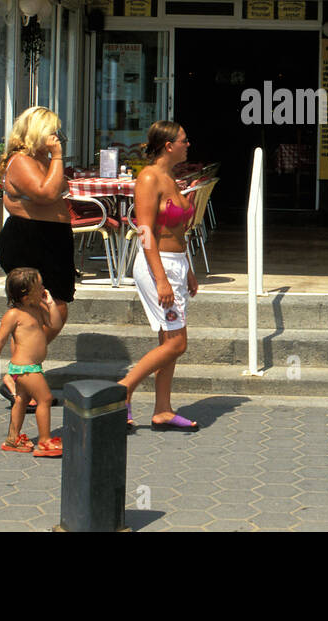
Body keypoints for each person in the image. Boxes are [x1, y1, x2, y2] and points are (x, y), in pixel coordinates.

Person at [120, 120, 199, 431]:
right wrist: (162, 278)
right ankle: (123, 388)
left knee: (168, 339)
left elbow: (179, 230)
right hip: (159, 265)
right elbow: (146, 232)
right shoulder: (150, 178)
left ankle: (162, 409)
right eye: (184, 140)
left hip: (176, 262)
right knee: (177, 342)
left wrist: (188, 269)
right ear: (168, 145)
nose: (188, 144)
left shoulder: (171, 178)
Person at [0, 106, 73, 406]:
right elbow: (46, 192)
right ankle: (19, 376)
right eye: (52, 132)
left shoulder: (41, 160)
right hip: (30, 241)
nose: (56, 138)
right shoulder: (21, 161)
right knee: (41, 310)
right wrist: (58, 157)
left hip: (51, 241)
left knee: (55, 308)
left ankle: (23, 375)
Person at [0, 267, 64, 457]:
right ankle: (44, 441)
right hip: (25, 367)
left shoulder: (37, 309)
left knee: (21, 401)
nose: (44, 287)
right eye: (39, 286)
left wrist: (51, 303)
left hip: (32, 366)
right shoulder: (14, 315)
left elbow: (55, 324)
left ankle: (13, 438)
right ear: (26, 294)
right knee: (44, 399)